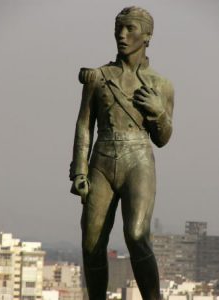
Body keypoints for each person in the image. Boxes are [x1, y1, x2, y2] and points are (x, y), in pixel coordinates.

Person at [70, 6, 174, 300]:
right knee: (91, 242)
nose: (122, 35)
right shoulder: (98, 77)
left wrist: (158, 113)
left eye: (130, 28)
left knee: (137, 235)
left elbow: (163, 139)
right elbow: (83, 125)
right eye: (119, 28)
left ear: (148, 36)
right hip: (101, 160)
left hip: (139, 160)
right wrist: (79, 169)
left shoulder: (161, 85)